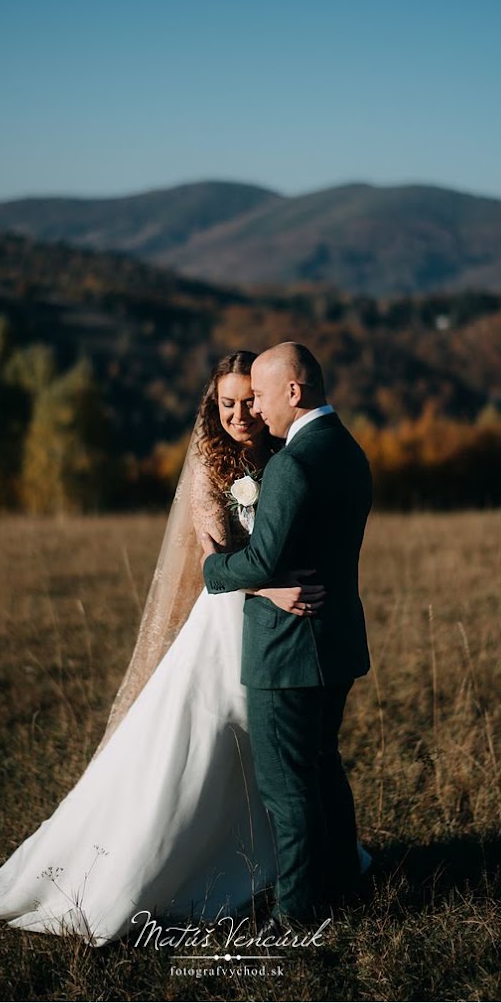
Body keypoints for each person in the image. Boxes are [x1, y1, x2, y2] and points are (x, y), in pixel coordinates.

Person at [0, 350, 348, 945]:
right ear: (213, 406)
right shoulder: (212, 464)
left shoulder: (286, 451)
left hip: (274, 625)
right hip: (235, 618)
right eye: (226, 403)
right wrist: (272, 588)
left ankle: (290, 872)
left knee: (283, 757)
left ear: (271, 397)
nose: (240, 413)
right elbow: (212, 562)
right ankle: (202, 867)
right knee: (221, 747)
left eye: (249, 400)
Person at [202, 342, 373, 928]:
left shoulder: (292, 464)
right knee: (324, 766)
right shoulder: (349, 451)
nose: (258, 410)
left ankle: (297, 914)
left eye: (263, 397)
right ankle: (344, 883)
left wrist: (212, 568)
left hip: (287, 648)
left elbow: (259, 562)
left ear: (294, 393)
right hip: (337, 642)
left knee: (286, 786)